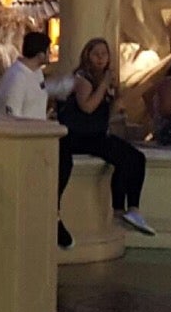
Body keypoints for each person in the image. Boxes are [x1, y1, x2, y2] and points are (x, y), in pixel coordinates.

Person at [55, 37, 155, 247]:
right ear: (88, 56)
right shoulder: (82, 79)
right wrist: (103, 86)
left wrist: (116, 101)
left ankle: (129, 209)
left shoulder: (106, 81)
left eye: (104, 54)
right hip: (79, 135)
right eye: (96, 54)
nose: (101, 58)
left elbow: (104, 112)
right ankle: (120, 209)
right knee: (123, 157)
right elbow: (87, 107)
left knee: (134, 159)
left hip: (97, 133)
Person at [0, 30, 52, 119]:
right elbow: (11, 114)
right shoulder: (16, 78)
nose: (51, 53)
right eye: (49, 50)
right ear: (40, 55)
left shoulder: (38, 72)